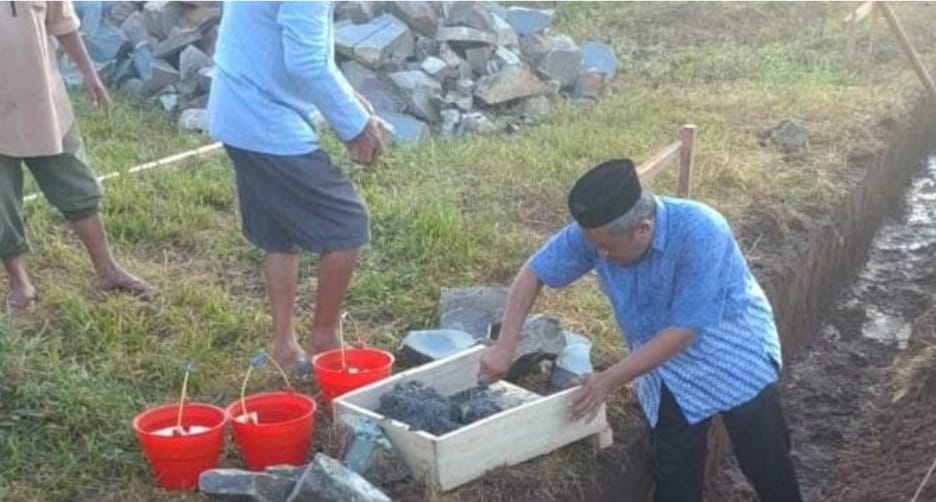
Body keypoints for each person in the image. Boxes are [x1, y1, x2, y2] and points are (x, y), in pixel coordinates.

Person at [479, 159, 803, 502]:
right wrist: (504, 347)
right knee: (675, 467)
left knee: (764, 455)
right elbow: (534, 272)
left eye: (606, 247)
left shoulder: (702, 231)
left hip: (729, 341)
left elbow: (684, 330)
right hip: (661, 359)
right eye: (594, 246)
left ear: (643, 229)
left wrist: (608, 379)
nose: (598, 254)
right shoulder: (598, 233)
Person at [208, 1, 386, 372]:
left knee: (279, 233)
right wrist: (355, 126)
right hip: (263, 119)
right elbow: (306, 62)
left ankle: (283, 348)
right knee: (346, 224)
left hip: (240, 109)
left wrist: (349, 98)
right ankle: (324, 339)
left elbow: (302, 43)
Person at [0, 0, 153, 314]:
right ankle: (20, 282)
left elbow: (62, 23)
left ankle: (107, 269)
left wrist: (88, 72)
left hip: (41, 101)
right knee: (1, 202)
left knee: (77, 185)